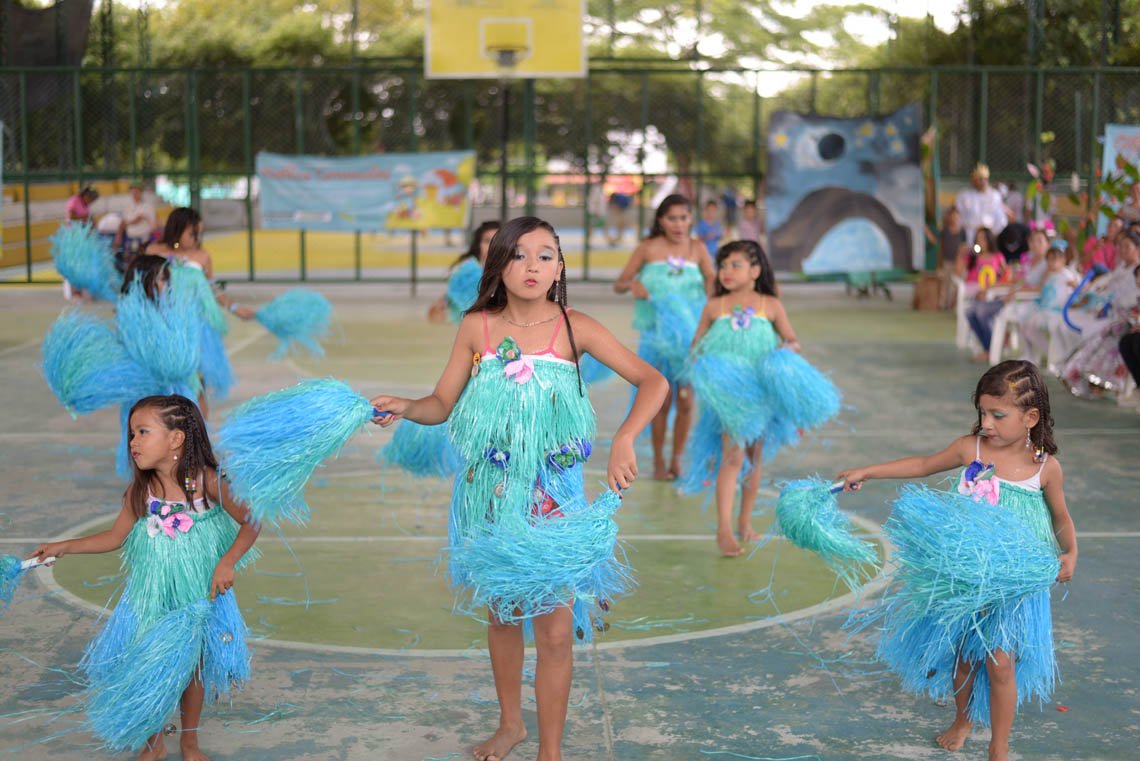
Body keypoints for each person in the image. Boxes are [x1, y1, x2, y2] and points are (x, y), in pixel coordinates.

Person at [370, 216, 668, 761]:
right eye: (519, 255)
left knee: (554, 633)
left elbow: (654, 381)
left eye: (545, 255)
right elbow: (443, 404)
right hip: (490, 496)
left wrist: (626, 436)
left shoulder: (576, 328)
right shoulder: (476, 327)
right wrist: (409, 408)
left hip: (552, 498)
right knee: (503, 618)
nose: (532, 266)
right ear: (499, 264)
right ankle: (511, 724)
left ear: (560, 267)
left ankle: (549, 751)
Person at [837, 360, 1076, 761]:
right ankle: (963, 719)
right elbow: (922, 465)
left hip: (1014, 585)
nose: (987, 422)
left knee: (1001, 665)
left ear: (1031, 417)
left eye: (998, 415)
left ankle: (999, 743)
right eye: (982, 412)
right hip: (969, 578)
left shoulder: (1045, 468)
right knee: (965, 658)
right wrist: (869, 471)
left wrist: (1071, 552)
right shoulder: (972, 449)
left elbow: (1061, 519)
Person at [26, 394, 260, 760]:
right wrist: (65, 546)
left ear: (176, 438)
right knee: (148, 663)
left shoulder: (206, 482)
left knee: (192, 668)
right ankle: (154, 744)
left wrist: (227, 562)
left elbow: (252, 520)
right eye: (131, 434)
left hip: (194, 595)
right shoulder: (141, 490)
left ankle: (189, 742)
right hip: (151, 595)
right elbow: (114, 537)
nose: (132, 442)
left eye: (142, 432)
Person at [683, 240, 839, 556]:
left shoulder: (771, 305)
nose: (726, 271)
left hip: (762, 390)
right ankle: (724, 529)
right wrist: (701, 366)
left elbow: (793, 340)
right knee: (733, 455)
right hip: (731, 396)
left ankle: (744, 521)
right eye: (723, 265)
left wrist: (786, 352)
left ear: (755, 270)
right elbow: (696, 346)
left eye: (735, 265)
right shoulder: (714, 307)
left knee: (754, 455)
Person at [614, 195, 715, 480]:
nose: (678, 224)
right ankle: (659, 460)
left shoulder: (698, 248)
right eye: (672, 218)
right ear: (660, 220)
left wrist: (711, 294)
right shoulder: (647, 248)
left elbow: (712, 280)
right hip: (656, 337)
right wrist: (633, 285)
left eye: (684, 217)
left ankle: (677, 460)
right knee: (660, 398)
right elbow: (619, 284)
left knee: (686, 401)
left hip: (690, 339)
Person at [149, 208, 253, 419]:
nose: (197, 238)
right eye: (192, 233)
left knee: (196, 383)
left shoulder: (202, 256)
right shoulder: (153, 251)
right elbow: (140, 284)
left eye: (199, 233)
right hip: (161, 328)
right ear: (177, 230)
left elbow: (211, 288)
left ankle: (199, 438)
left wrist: (234, 307)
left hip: (193, 330)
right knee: (160, 387)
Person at [966, 227, 1050, 361]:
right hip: (1009, 297)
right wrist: (993, 287)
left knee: (980, 312)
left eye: (1040, 241)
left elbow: (1040, 288)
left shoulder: (1047, 264)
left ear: (1048, 244)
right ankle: (989, 348)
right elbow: (1014, 281)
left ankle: (991, 350)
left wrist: (1016, 292)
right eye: (1033, 241)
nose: (1035, 244)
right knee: (970, 311)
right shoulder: (1028, 261)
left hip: (1023, 302)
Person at [1018, 246, 1080, 372]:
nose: (1052, 263)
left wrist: (1074, 299)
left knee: (1030, 325)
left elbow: (1076, 288)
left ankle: (1054, 355)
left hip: (1055, 311)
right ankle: (1030, 354)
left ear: (1063, 260)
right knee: (1025, 325)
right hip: (1044, 308)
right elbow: (1042, 291)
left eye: (1055, 259)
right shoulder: (1050, 275)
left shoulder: (1065, 274)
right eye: (1049, 260)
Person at [428, 220, 501, 323]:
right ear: (478, 243)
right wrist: (444, 302)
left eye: (496, 240)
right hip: (473, 322)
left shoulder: (507, 267)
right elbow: (451, 295)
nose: (491, 246)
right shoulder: (469, 268)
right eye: (487, 241)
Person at [955, 164, 1008, 244]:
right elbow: (958, 216)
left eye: (983, 179)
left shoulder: (994, 195)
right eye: (977, 179)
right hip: (968, 236)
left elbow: (1001, 219)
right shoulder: (964, 195)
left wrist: (993, 235)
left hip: (987, 237)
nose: (980, 182)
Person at [937, 207, 967, 309]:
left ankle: (955, 304)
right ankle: (944, 304)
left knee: (957, 284)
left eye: (956, 215)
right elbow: (939, 244)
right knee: (946, 283)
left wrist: (961, 260)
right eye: (952, 215)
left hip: (959, 262)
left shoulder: (962, 231)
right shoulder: (945, 230)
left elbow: (964, 246)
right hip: (947, 260)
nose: (954, 217)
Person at [118, 182, 158, 253]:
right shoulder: (129, 207)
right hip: (131, 239)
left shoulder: (147, 206)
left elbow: (138, 219)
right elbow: (123, 221)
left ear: (141, 191)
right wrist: (119, 235)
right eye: (133, 191)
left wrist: (126, 223)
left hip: (144, 241)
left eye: (136, 191)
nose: (134, 193)